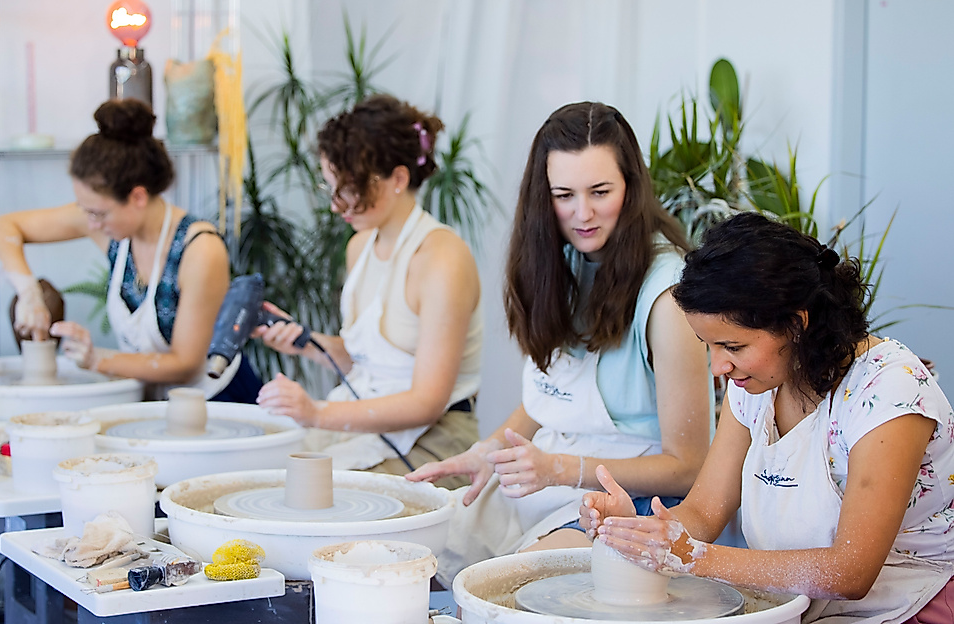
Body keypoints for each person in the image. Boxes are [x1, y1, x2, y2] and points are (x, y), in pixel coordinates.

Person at [584, 212, 954, 623]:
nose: (717, 367)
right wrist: (637, 531)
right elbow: (705, 512)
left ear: (796, 324)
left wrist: (694, 558)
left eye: (733, 346)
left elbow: (850, 572)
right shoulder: (756, 385)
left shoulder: (889, 391)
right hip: (800, 604)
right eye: (708, 345)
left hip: (910, 606)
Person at [406, 101, 714, 585]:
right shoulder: (559, 262)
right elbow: (549, 395)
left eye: (600, 192)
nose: (582, 213)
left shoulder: (668, 296)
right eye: (564, 195)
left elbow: (689, 467)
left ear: (631, 187)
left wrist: (561, 469)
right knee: (409, 554)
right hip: (553, 473)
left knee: (515, 589)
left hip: (631, 499)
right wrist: (490, 450)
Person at [253, 94, 482, 485]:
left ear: (398, 178)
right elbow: (370, 364)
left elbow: (427, 402)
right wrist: (306, 343)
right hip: (371, 427)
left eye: (350, 188)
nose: (337, 205)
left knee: (302, 488)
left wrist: (317, 413)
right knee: (258, 468)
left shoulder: (442, 258)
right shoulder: (360, 247)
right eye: (332, 188)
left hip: (436, 441)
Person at [0, 99, 260, 402]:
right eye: (85, 211)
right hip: (155, 398)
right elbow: (1, 228)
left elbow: (185, 363)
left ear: (138, 197)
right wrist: (29, 292)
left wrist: (95, 359)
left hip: (215, 400)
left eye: (98, 213)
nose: (90, 222)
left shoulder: (200, 250)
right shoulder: (104, 223)